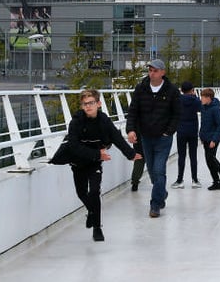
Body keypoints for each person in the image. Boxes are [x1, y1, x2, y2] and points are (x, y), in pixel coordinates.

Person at [61, 89, 137, 241]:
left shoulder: (104, 120)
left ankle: (97, 228)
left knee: (94, 191)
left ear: (99, 104)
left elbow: (116, 137)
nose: (88, 106)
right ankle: (91, 211)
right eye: (85, 104)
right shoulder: (76, 122)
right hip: (78, 161)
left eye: (91, 103)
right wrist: (97, 154)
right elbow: (73, 145)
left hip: (95, 162)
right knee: (82, 193)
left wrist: (131, 154)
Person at [126, 59, 182, 218]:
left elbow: (177, 114)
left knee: (159, 170)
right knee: (151, 171)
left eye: (155, 70)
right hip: (145, 137)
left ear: (163, 72)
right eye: (150, 70)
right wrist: (130, 130)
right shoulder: (141, 88)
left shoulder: (171, 90)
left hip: (163, 138)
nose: (152, 73)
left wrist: (169, 131)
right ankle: (161, 192)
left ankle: (155, 205)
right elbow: (133, 111)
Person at [199, 87, 220, 190]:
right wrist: (201, 136)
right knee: (209, 160)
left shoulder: (215, 109)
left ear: (209, 98)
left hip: (213, 139)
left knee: (211, 158)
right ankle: (216, 181)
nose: (201, 99)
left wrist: (214, 140)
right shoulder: (204, 107)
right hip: (205, 138)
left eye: (203, 97)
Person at [172, 81, 202, 189]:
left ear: (181, 90)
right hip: (193, 131)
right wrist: (196, 97)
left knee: (182, 156)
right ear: (192, 90)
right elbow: (200, 108)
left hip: (181, 131)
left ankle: (180, 180)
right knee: (193, 156)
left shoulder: (178, 100)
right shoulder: (195, 100)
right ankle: (195, 180)